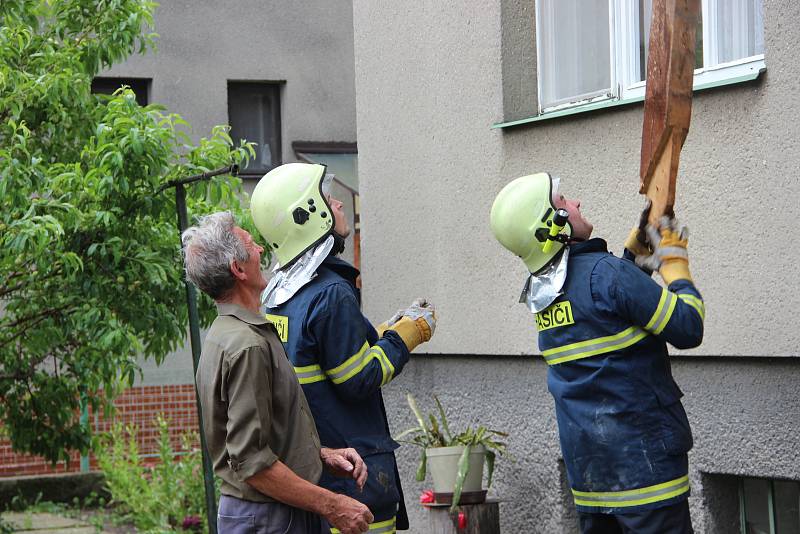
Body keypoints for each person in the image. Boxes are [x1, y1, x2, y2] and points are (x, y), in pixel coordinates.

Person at [490, 173, 705, 534]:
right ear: (553, 223)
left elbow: (604, 314)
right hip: (647, 476)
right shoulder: (609, 276)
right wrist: (677, 267)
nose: (576, 204)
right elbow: (688, 327)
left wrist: (633, 258)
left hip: (594, 483)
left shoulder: (544, 296)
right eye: (564, 202)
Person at [249, 163, 437, 533]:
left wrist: (381, 330)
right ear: (306, 216)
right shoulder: (332, 293)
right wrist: (407, 336)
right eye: (326, 198)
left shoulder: (282, 294)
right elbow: (357, 378)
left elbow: (324, 355)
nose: (337, 203)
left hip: (316, 471)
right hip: (355, 475)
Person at [182, 211, 376, 534]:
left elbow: (260, 441)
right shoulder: (248, 346)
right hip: (270, 518)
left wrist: (318, 455)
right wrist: (333, 505)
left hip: (264, 512)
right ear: (238, 269)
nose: (260, 250)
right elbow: (252, 463)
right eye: (251, 244)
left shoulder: (224, 333)